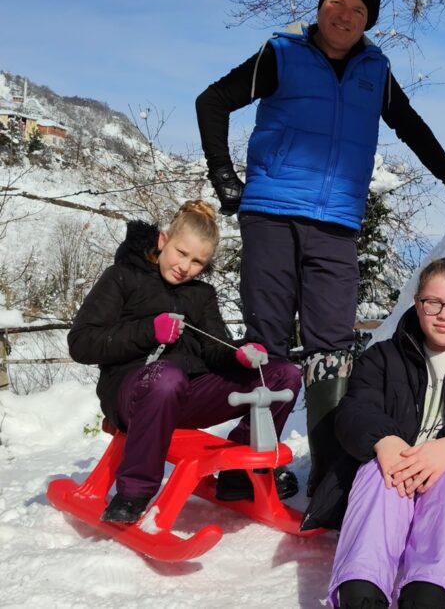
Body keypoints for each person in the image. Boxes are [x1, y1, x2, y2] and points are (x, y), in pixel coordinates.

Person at [195, 0, 445, 495]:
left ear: (368, 20)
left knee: (332, 350)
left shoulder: (375, 70)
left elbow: (414, 130)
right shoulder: (281, 54)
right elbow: (211, 101)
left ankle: (331, 477)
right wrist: (224, 176)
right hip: (272, 214)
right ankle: (246, 467)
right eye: (335, 1)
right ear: (321, 7)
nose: (344, 13)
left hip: (336, 224)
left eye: (357, 7)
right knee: (268, 346)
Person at [299, 258, 445, 609]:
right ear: (417, 304)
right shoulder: (382, 358)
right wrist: (384, 440)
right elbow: (355, 410)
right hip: (393, 496)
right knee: (376, 469)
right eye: (433, 303)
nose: (444, 314)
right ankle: (360, 592)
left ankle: (427, 596)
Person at [68, 200, 301, 524]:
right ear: (163, 241)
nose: (185, 266)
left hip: (188, 393)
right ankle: (133, 494)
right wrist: (148, 331)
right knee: (166, 377)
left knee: (282, 375)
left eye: (197, 262)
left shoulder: (201, 295)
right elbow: (80, 344)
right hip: (130, 391)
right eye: (181, 253)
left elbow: (213, 349)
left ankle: (240, 477)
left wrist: (239, 353)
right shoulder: (123, 277)